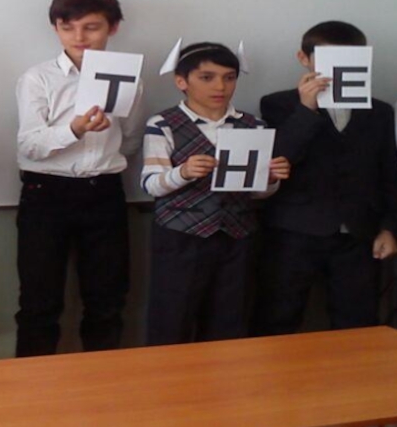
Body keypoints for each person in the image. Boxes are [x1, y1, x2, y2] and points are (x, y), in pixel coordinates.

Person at [14, 0, 145, 358]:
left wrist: (102, 164)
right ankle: (31, 384)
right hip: (46, 194)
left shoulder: (129, 78)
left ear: (112, 28)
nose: (79, 37)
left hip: (104, 193)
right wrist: (73, 130)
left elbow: (131, 138)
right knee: (39, 301)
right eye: (67, 27)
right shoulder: (38, 78)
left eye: (91, 27)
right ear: (55, 28)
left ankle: (101, 383)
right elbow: (29, 144)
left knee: (107, 299)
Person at [252, 21, 397, 335]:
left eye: (351, 57)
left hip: (358, 233)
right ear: (304, 59)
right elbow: (277, 160)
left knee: (357, 321)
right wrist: (306, 110)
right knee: (278, 317)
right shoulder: (277, 104)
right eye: (329, 58)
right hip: (294, 231)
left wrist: (389, 227)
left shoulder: (380, 111)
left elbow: (388, 173)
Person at [141, 42, 289, 346]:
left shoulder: (253, 126)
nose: (220, 86)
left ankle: (224, 375)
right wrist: (182, 172)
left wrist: (272, 179)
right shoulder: (162, 124)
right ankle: (167, 375)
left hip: (237, 236)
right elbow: (151, 184)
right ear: (181, 81)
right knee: (172, 318)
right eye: (207, 78)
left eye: (229, 77)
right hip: (180, 237)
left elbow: (257, 192)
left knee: (229, 320)